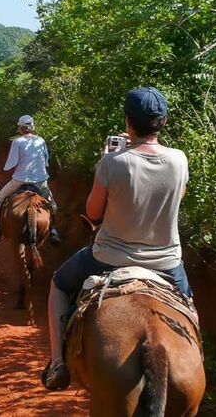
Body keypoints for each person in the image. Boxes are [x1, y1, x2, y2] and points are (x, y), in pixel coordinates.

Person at [43, 87, 193, 390]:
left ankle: (58, 362)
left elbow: (93, 213)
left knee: (59, 283)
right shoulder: (179, 159)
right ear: (162, 122)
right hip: (166, 262)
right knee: (189, 308)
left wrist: (107, 162)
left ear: (127, 122)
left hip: (108, 257)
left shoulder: (113, 163)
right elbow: (179, 196)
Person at [0, 115, 60, 244]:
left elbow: (12, 162)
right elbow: (45, 161)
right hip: (40, 180)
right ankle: (53, 230)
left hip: (20, 180)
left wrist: (11, 168)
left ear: (20, 129)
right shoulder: (41, 140)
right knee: (52, 203)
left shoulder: (17, 141)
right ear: (33, 127)